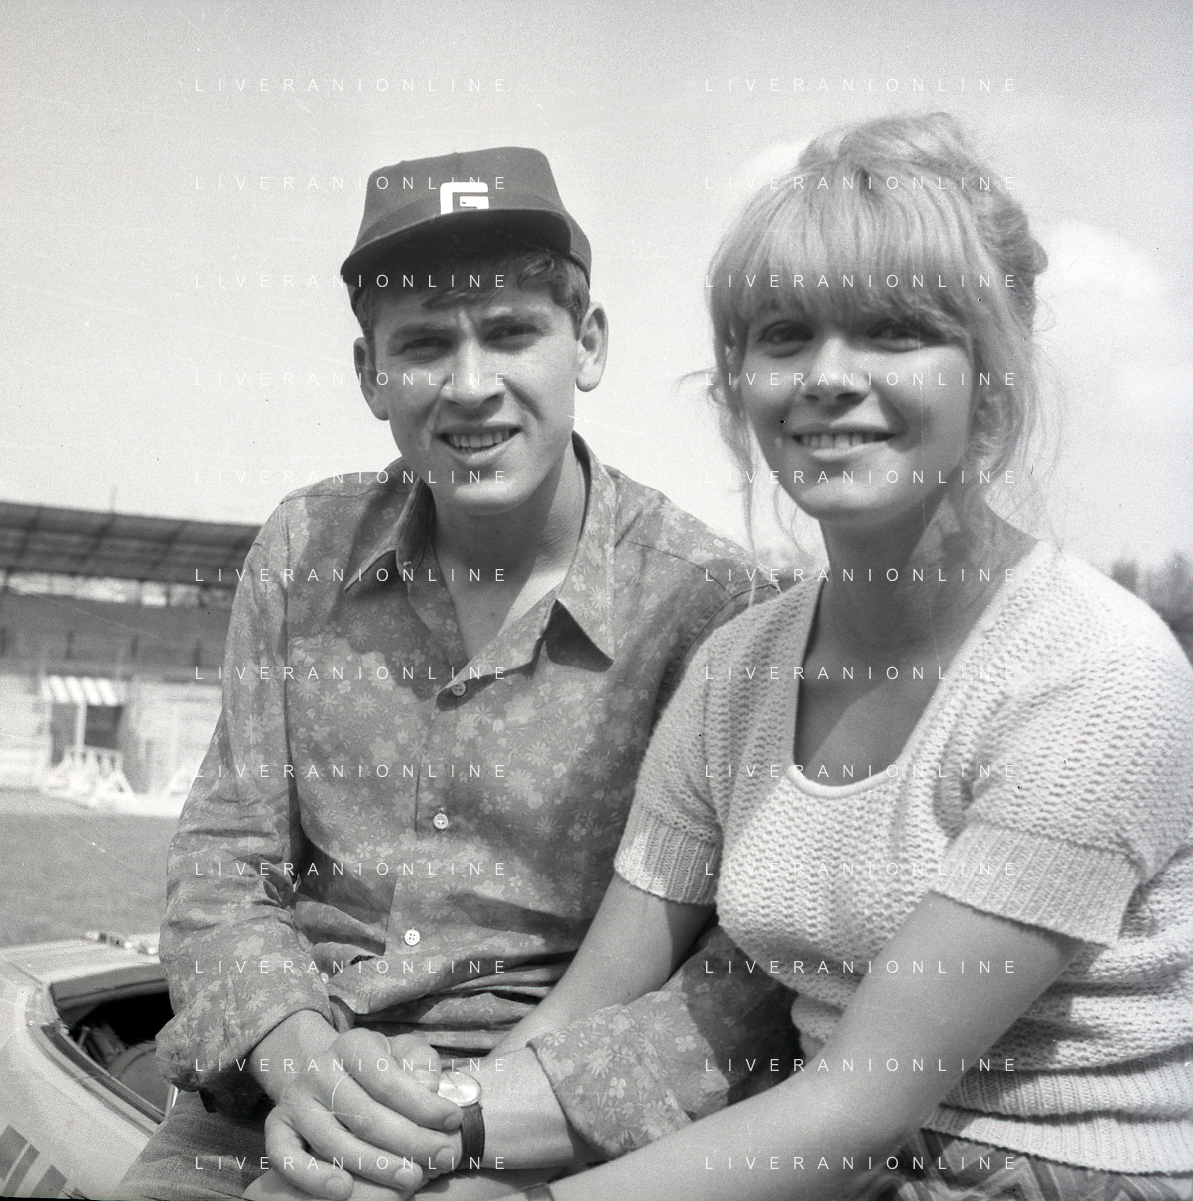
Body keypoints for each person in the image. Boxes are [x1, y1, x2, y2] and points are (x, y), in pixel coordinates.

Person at [350, 114, 1193, 1200]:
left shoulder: (1095, 676)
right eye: (786, 335)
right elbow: (588, 1005)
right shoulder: (737, 670)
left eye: (895, 331)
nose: (827, 377)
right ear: (737, 382)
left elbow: (858, 1103)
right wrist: (426, 1142)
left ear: (991, 369)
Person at [118, 146, 797, 1201]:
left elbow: (742, 968)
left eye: (512, 331)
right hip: (286, 1082)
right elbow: (223, 860)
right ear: (369, 373)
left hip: (555, 1110)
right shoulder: (303, 549)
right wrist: (307, 1068)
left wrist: (482, 1119)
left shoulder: (707, 604)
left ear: (587, 344)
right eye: (426, 344)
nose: (471, 386)